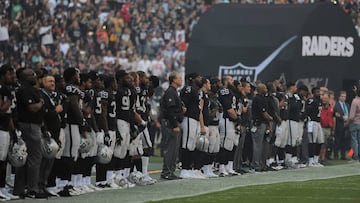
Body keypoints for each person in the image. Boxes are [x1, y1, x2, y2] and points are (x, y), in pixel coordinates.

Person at [14, 68, 47, 198]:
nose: (35, 76)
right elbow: (32, 108)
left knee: (24, 158)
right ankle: (33, 189)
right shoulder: (26, 90)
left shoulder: (25, 89)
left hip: (29, 125)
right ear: (27, 77)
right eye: (33, 74)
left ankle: (20, 189)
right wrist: (41, 102)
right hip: (30, 126)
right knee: (35, 157)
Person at [179, 72, 206, 179]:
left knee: (192, 144)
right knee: (187, 144)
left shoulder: (196, 91)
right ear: (192, 79)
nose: (200, 79)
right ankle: (184, 169)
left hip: (194, 119)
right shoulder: (188, 89)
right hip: (188, 118)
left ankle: (189, 169)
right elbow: (183, 104)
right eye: (198, 77)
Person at [160, 72, 184, 180]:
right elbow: (170, 110)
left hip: (173, 122)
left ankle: (171, 171)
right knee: (170, 148)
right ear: (173, 80)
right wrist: (175, 125)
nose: (181, 79)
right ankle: (166, 172)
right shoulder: (170, 92)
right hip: (170, 124)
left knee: (174, 149)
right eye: (179, 78)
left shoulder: (174, 92)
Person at [0, 64, 18, 200]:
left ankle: (2, 187)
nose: (12, 77)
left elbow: (9, 114)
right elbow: (2, 110)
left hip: (6, 128)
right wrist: (10, 98)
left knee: (4, 161)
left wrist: (13, 131)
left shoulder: (7, 89)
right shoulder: (2, 89)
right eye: (10, 74)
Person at [251, 83, 273, 172]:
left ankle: (262, 163)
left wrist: (268, 124)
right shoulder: (258, 98)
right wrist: (270, 118)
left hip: (263, 123)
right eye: (264, 88)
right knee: (257, 145)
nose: (266, 89)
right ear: (260, 89)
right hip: (258, 123)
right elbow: (263, 112)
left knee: (263, 145)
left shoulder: (263, 98)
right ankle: (256, 164)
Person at [306, 87, 324, 167]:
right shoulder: (311, 100)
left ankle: (316, 160)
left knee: (320, 141)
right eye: (317, 92)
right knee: (312, 142)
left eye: (319, 92)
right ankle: (311, 160)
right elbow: (307, 110)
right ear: (313, 93)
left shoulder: (319, 101)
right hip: (312, 122)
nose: (319, 93)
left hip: (318, 122)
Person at [333, 91, 350, 160]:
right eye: (342, 96)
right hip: (339, 125)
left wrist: (348, 119)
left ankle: (343, 155)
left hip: (346, 125)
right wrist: (342, 117)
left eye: (344, 96)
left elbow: (350, 113)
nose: (343, 98)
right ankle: (336, 155)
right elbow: (335, 114)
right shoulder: (336, 105)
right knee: (337, 141)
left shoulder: (347, 105)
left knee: (345, 141)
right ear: (339, 97)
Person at [348, 88, 360, 162]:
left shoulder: (355, 101)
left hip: (355, 123)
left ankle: (355, 157)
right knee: (359, 141)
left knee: (354, 141)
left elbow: (352, 116)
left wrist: (347, 122)